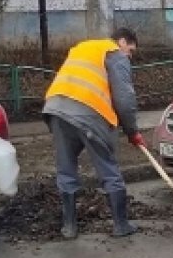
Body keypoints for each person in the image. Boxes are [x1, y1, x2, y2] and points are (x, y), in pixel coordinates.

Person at [43, 27, 144, 239]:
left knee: (66, 168)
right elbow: (124, 100)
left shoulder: (82, 48)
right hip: (88, 113)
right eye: (131, 50)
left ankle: (69, 227)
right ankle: (120, 225)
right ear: (122, 41)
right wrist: (132, 131)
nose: (130, 56)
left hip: (56, 109)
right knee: (107, 165)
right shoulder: (114, 53)